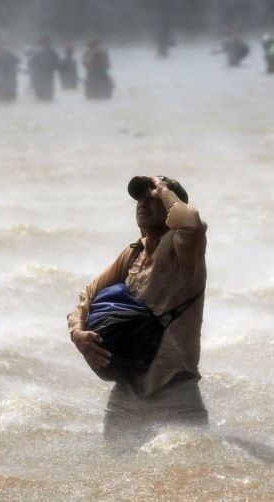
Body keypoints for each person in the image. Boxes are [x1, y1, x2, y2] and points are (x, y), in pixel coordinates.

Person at [68, 176, 208, 445]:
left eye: (152, 199)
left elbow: (191, 223)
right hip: (127, 392)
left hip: (175, 391)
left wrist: (164, 190)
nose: (143, 203)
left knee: (190, 472)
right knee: (113, 472)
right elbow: (88, 295)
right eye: (140, 199)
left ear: (170, 206)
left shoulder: (185, 249)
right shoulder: (133, 252)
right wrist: (77, 333)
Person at [27, 36, 60, 101]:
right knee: (42, 97)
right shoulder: (38, 52)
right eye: (43, 42)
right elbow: (31, 64)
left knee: (44, 97)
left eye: (45, 42)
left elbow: (56, 64)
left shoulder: (51, 52)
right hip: (41, 78)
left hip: (46, 77)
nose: (44, 44)